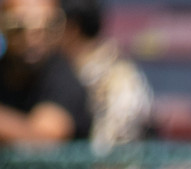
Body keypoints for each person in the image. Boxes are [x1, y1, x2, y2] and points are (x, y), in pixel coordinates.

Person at [58, 0, 149, 150]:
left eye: (53, 23)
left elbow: (111, 152)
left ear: (72, 27)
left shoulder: (119, 78)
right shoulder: (60, 70)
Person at [0, 0, 91, 145]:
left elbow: (45, 138)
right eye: (16, 26)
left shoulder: (63, 78)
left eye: (48, 26)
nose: (31, 38)